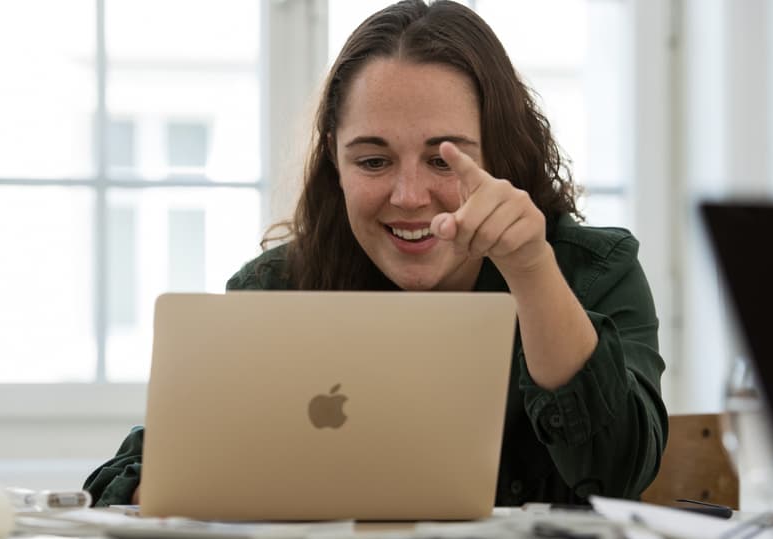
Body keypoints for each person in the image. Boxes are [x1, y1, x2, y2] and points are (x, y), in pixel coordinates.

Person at [84, 0, 668, 507]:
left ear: (503, 157)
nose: (410, 197)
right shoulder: (277, 290)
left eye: (444, 160)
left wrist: (531, 270)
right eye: (372, 160)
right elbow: (121, 480)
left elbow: (615, 476)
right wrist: (182, 483)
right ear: (334, 165)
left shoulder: (593, 272)